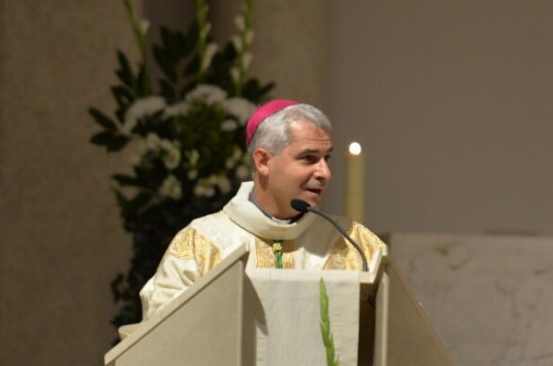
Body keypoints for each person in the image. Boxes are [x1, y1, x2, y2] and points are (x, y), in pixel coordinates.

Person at [137, 99, 387, 322]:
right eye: (309, 158)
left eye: (327, 158)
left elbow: (394, 330)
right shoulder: (201, 243)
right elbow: (162, 334)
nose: (325, 173)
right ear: (263, 161)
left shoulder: (354, 244)